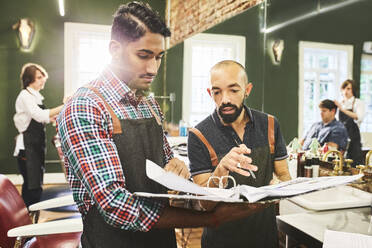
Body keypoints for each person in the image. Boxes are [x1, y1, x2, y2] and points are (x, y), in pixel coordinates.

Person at [56, 2, 268, 247]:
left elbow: (168, 166)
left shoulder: (149, 104)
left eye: (158, 57)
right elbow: (114, 205)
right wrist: (211, 219)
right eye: (143, 56)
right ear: (115, 49)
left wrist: (177, 169)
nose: (153, 69)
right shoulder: (86, 106)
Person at [187, 60, 291, 248]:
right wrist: (221, 169)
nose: (225, 99)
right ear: (210, 93)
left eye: (233, 90)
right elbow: (204, 205)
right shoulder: (198, 135)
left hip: (265, 238)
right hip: (221, 241)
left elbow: (284, 176)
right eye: (217, 92)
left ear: (247, 89)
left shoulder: (269, 124)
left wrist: (277, 188)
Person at [13, 63, 65, 207]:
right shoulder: (25, 95)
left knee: (36, 183)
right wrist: (64, 106)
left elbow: (40, 118)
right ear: (29, 79)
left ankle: (30, 215)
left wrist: (52, 118)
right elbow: (39, 115)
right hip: (27, 147)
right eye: (39, 77)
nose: (43, 80)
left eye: (43, 77)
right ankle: (27, 216)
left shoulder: (36, 97)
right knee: (32, 185)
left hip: (36, 145)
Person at [334, 79, 365, 166]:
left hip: (354, 139)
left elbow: (358, 116)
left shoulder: (358, 103)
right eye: (344, 89)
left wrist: (342, 109)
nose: (345, 91)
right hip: (342, 138)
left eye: (348, 89)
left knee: (355, 164)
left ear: (353, 90)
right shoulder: (341, 104)